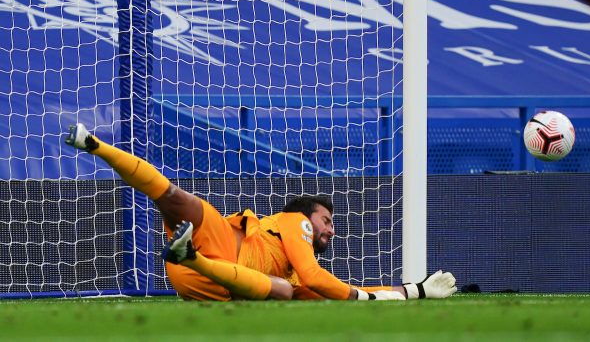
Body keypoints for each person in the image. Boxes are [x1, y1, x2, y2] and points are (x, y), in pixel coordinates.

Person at [65, 123, 457, 301]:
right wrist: (390, 295)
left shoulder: (292, 270)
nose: (331, 231)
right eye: (326, 220)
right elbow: (319, 278)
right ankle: (95, 144)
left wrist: (413, 290)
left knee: (286, 290)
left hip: (208, 281)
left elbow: (333, 290)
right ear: (304, 216)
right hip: (216, 248)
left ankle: (192, 256)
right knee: (175, 198)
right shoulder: (294, 223)